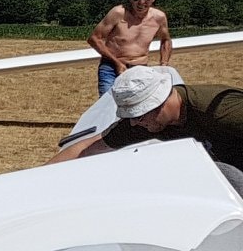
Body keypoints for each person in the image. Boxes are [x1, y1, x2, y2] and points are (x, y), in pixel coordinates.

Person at [53, 64, 243, 193]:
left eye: (138, 115)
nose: (134, 124)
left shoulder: (221, 110)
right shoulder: (145, 122)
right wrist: (31, 180)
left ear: (160, 103)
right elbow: (89, 147)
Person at [87, 0, 171, 95]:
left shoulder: (159, 17)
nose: (142, 2)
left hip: (140, 68)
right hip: (111, 68)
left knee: (139, 108)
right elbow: (94, 38)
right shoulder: (118, 13)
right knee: (107, 105)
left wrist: (164, 64)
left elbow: (165, 39)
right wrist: (117, 63)